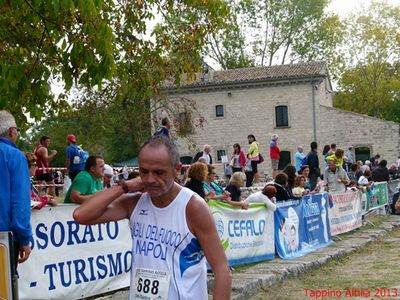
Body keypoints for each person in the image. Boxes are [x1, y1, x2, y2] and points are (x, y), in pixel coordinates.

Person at [73, 135, 231, 299]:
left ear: (177, 169)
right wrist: (125, 186)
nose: (150, 180)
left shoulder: (193, 207)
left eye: (159, 172)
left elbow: (222, 269)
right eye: (144, 172)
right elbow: (81, 215)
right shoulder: (135, 202)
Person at [0, 110, 32, 269]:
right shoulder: (15, 156)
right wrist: (24, 238)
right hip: (4, 237)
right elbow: (20, 201)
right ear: (12, 131)